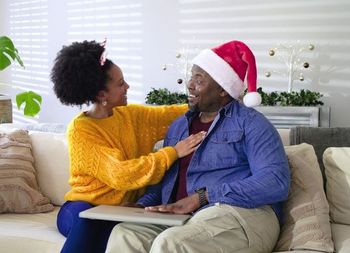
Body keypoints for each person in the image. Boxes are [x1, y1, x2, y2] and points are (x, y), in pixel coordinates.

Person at [106, 40, 291, 253]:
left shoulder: (251, 123)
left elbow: (276, 182)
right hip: (183, 220)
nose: (190, 84)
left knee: (173, 243)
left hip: (240, 214)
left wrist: (202, 197)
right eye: (191, 76)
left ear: (222, 89)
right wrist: (140, 207)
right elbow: (164, 184)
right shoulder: (178, 127)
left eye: (199, 79)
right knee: (125, 235)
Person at [50, 40, 206, 253]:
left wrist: (205, 99)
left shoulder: (131, 115)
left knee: (125, 232)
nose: (127, 87)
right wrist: (173, 152)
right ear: (101, 95)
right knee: (90, 224)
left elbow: (169, 114)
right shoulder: (81, 129)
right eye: (120, 83)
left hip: (122, 212)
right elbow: (121, 174)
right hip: (82, 207)